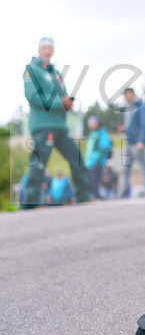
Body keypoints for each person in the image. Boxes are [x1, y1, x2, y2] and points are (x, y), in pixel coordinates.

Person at [21, 37, 91, 208]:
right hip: (43, 125)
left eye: (50, 48)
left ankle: (83, 198)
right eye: (44, 47)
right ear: (39, 50)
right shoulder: (32, 70)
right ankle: (31, 204)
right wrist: (59, 103)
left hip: (61, 126)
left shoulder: (56, 73)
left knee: (78, 160)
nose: (47, 51)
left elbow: (63, 96)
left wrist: (67, 103)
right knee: (39, 164)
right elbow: (32, 97)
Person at [119, 87, 145, 198]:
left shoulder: (141, 106)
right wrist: (124, 129)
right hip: (129, 142)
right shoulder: (129, 108)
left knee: (143, 167)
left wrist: (141, 141)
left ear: (131, 93)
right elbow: (131, 126)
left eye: (126, 95)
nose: (125, 97)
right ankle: (122, 193)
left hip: (137, 143)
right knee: (125, 168)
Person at [84, 116, 113, 199]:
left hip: (97, 162)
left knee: (95, 180)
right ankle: (93, 195)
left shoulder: (101, 133)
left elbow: (104, 147)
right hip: (90, 162)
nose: (91, 125)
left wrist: (97, 157)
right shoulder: (92, 134)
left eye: (93, 123)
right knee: (91, 180)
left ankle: (96, 196)